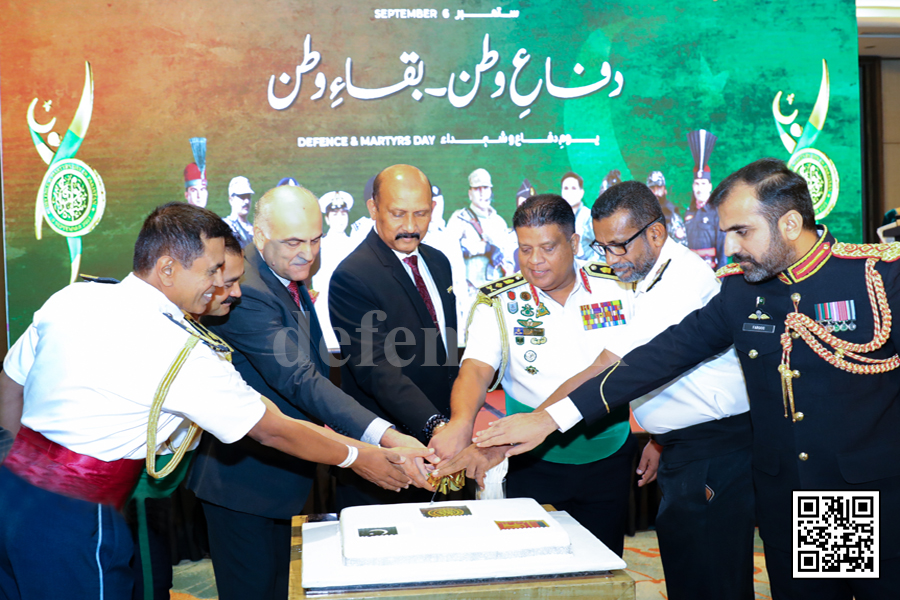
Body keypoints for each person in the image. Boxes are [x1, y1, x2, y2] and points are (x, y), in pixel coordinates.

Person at [474, 158, 900, 600]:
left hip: (867, 492)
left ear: (790, 223)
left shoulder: (876, 276)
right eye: (727, 232)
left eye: (742, 232)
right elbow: (655, 360)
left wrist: (547, 419)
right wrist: (551, 418)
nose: (730, 247)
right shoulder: (740, 291)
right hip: (799, 499)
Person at [0, 202, 422, 600]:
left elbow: (10, 385)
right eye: (213, 270)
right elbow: (271, 428)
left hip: (11, 492)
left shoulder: (75, 297)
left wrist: (34, 468)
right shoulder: (178, 349)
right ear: (167, 268)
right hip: (78, 519)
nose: (223, 286)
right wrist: (357, 458)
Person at [187, 184, 432, 600]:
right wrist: (386, 437)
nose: (308, 253)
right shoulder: (247, 293)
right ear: (261, 237)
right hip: (244, 483)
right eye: (294, 242)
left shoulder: (285, 277)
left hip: (282, 478)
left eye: (316, 240)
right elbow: (301, 379)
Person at [570, 181, 755, 599]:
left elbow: (610, 369)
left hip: (714, 451)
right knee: (693, 572)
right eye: (602, 248)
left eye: (619, 246)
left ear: (655, 232)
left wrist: (535, 422)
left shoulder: (680, 279)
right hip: (690, 447)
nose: (611, 259)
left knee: (712, 581)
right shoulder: (652, 274)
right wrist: (660, 436)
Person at [430, 194, 638, 556]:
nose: (535, 261)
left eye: (547, 248)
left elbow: (631, 366)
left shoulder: (619, 286)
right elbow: (476, 368)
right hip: (531, 459)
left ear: (574, 243)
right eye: (525, 249)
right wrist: (463, 422)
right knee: (534, 563)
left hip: (608, 453)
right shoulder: (499, 301)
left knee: (601, 563)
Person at [328, 165, 460, 507]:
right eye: (398, 214)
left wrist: (454, 423)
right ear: (373, 209)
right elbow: (376, 370)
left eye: (421, 213)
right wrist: (434, 424)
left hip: (447, 449)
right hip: (390, 456)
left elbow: (445, 352)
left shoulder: (439, 262)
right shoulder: (352, 276)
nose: (411, 227)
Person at [448, 168, 514, 319]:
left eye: (485, 188)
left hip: (497, 294)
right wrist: (484, 248)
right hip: (471, 294)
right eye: (477, 189)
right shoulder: (460, 219)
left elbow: (509, 260)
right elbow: (451, 251)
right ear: (470, 193)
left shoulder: (499, 222)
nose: (482, 193)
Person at [312, 191, 356, 351]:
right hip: (325, 309)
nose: (340, 219)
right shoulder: (319, 246)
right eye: (335, 214)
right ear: (327, 218)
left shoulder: (355, 245)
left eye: (343, 214)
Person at [684, 129, 725, 268]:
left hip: (710, 270)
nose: (699, 188)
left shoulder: (716, 213)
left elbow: (722, 252)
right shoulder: (689, 212)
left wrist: (720, 279)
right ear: (692, 186)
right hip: (690, 271)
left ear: (710, 186)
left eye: (703, 184)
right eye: (696, 184)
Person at [561, 171, 600, 261]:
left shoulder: (589, 217)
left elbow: (601, 246)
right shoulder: (556, 217)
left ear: (581, 193)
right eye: (566, 188)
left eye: (573, 188)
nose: (569, 192)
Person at [646, 170, 687, 247]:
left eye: (658, 187)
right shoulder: (642, 212)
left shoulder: (672, 212)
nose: (655, 192)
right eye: (652, 188)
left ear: (665, 190)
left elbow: (681, 243)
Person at [222, 176, 255, 248]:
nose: (247, 201)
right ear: (231, 200)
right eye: (242, 197)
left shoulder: (254, 230)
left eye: (248, 197)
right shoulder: (224, 227)